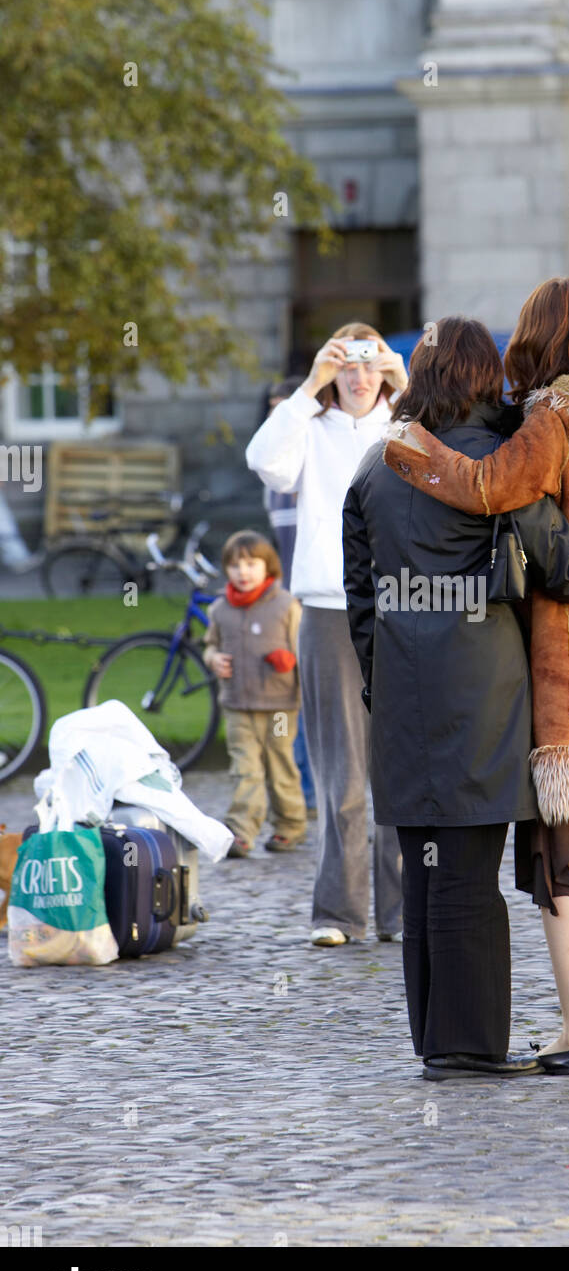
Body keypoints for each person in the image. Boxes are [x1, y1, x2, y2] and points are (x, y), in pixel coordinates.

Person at [343, 316, 569, 1080]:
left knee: (420, 870)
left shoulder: (375, 462)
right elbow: (560, 565)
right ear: (485, 377)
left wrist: (382, 674)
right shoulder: (498, 458)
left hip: (399, 686)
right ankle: (468, 1047)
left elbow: (361, 600)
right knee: (465, 872)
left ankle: (434, 1038)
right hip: (483, 684)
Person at [246, 323, 407, 947]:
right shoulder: (308, 427)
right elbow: (265, 463)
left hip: (402, 605)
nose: (360, 375)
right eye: (347, 365)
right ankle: (339, 913)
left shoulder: (404, 424)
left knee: (398, 767)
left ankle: (399, 914)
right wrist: (309, 386)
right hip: (328, 607)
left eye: (370, 363)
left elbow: (457, 458)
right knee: (340, 772)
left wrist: (407, 382)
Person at [203, 530, 306, 857]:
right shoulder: (220, 610)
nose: (242, 572)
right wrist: (214, 659)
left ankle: (290, 826)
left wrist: (290, 662)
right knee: (244, 769)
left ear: (269, 567)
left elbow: (305, 650)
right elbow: (210, 646)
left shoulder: (286, 606)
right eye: (235, 566)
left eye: (251, 564)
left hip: (279, 709)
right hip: (238, 707)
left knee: (280, 765)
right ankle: (241, 831)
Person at [259, 376, 316, 816]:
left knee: (315, 696)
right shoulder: (272, 474)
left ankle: (311, 792)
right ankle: (301, 794)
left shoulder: (317, 456)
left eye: (287, 408)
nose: (280, 417)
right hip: (289, 594)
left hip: (323, 595)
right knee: (289, 693)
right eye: (273, 409)